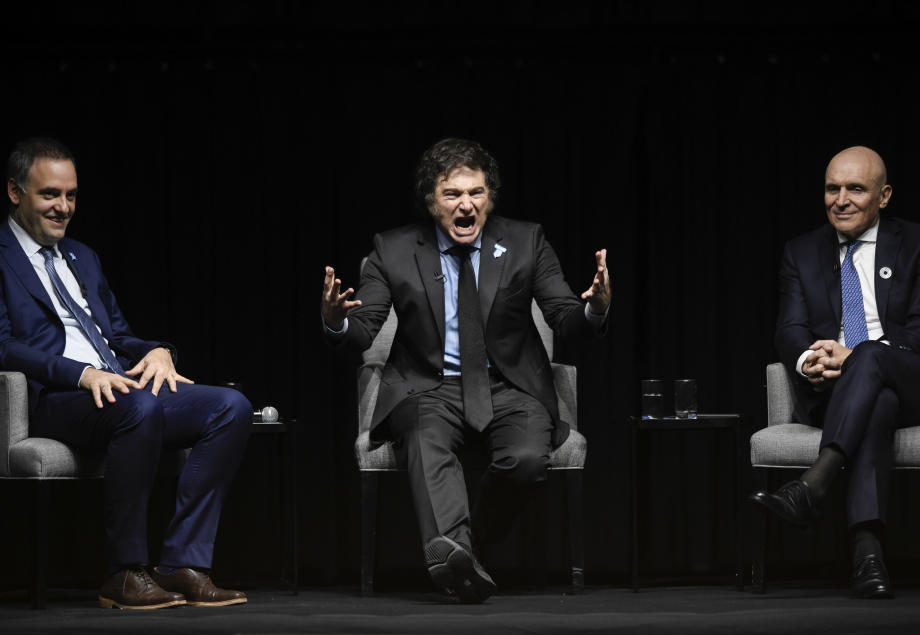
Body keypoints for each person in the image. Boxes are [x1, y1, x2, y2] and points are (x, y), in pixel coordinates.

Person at [323, 138, 610, 603]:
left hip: (510, 385)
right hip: (427, 387)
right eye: (452, 194)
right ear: (431, 201)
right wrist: (336, 321)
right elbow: (363, 328)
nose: (466, 204)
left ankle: (462, 553)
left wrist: (596, 308)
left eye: (476, 193)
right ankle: (458, 561)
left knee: (528, 461)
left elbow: (563, 315)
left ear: (490, 198)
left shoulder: (525, 240)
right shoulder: (392, 249)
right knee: (424, 436)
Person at [0, 138, 252, 609]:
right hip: (54, 397)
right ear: (15, 193)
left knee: (229, 407)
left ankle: (182, 563)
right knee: (139, 406)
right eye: (50, 194)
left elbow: (116, 334)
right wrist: (81, 375)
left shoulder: (83, 256)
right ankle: (124, 572)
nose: (63, 207)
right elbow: (3, 346)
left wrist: (157, 351)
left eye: (71, 195)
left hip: (118, 388)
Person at [750, 146, 920, 598]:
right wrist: (811, 362)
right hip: (839, 393)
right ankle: (868, 559)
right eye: (832, 188)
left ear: (883, 196)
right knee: (876, 402)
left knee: (869, 356)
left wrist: (858, 354)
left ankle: (814, 485)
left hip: (916, 380)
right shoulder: (800, 252)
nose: (840, 199)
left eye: (855, 189)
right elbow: (789, 330)